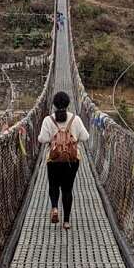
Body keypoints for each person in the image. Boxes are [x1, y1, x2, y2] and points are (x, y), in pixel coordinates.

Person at [38, 91, 89, 230]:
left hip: (53, 160)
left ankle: (54, 208)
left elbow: (42, 139)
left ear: (53, 104)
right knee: (67, 189)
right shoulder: (75, 119)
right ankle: (66, 222)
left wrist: (53, 138)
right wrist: (73, 138)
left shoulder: (48, 120)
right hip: (72, 160)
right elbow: (85, 137)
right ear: (68, 104)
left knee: (53, 185)